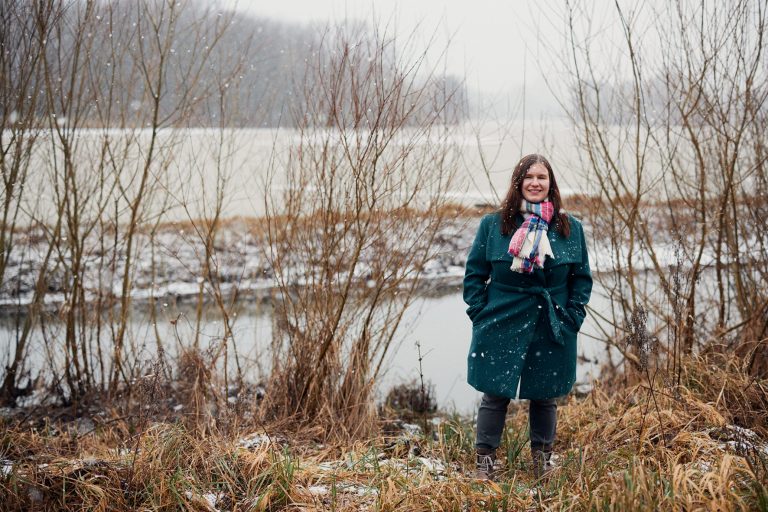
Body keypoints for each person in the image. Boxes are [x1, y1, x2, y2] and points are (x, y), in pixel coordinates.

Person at [463, 154, 592, 480]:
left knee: (545, 396)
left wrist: (572, 317)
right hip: (500, 319)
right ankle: (485, 463)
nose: (535, 183)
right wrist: (480, 313)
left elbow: (582, 279)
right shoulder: (494, 224)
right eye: (529, 176)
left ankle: (542, 462)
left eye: (542, 177)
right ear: (518, 182)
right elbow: (474, 275)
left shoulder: (569, 228)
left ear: (551, 184)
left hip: (551, 321)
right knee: (495, 395)